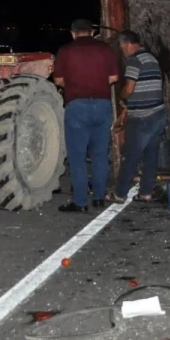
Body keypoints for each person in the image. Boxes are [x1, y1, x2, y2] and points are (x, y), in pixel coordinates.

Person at [52, 18, 119, 212]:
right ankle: (99, 197)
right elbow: (114, 77)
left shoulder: (65, 50)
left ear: (73, 33)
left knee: (77, 156)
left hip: (77, 106)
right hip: (103, 105)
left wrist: (73, 85)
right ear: (92, 32)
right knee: (99, 154)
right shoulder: (105, 49)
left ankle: (80, 202)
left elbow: (58, 80)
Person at [105, 30, 167, 203]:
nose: (122, 50)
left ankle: (119, 194)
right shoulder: (151, 58)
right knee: (151, 155)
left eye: (122, 46)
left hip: (143, 118)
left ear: (127, 44)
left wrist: (121, 96)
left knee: (130, 155)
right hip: (158, 115)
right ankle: (146, 192)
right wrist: (125, 112)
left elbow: (130, 88)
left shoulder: (134, 60)